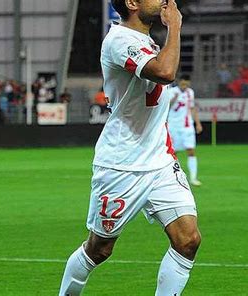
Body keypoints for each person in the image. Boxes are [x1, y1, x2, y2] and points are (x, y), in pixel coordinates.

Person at [59, 1, 201, 295]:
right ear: (132, 3)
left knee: (188, 240)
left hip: (160, 161)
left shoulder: (146, 40)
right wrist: (175, 25)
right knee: (99, 250)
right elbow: (164, 72)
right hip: (122, 164)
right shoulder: (119, 40)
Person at [167, 74, 203, 186]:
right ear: (179, 82)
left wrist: (197, 123)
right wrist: (173, 99)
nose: (184, 86)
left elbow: (192, 108)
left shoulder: (190, 92)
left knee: (191, 150)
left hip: (187, 126)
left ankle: (193, 178)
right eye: (183, 84)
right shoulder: (171, 91)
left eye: (186, 84)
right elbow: (165, 107)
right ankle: (169, 177)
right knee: (172, 153)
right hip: (174, 126)